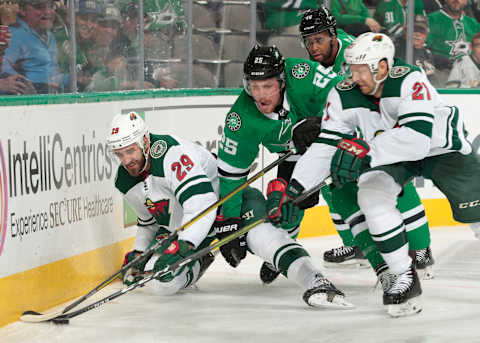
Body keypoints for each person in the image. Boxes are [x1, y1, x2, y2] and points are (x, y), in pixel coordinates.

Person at [271, 32, 480, 317]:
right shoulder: (343, 94)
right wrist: (295, 189)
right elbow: (325, 145)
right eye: (351, 69)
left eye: (360, 69)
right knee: (371, 195)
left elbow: (417, 140)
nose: (354, 77)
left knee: (477, 214)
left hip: (442, 150)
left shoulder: (409, 80)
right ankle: (403, 277)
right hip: (389, 153)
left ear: (382, 66)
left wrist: (365, 151)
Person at [107, 112, 352, 308]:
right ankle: (202, 259)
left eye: (131, 150)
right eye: (120, 154)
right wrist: (139, 254)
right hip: (196, 226)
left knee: (263, 238)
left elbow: (201, 203)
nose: (127, 160)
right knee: (164, 284)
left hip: (229, 204)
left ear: (145, 142)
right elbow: (148, 221)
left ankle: (317, 282)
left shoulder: (170, 153)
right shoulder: (126, 179)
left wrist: (183, 247)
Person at [299, 8, 434, 276]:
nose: (314, 46)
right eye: (309, 41)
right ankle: (357, 244)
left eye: (320, 39)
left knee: (392, 180)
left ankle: (421, 248)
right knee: (333, 183)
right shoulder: (316, 64)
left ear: (334, 36)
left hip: (381, 124)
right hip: (349, 127)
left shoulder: (356, 53)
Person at [217, 44, 343, 284]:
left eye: (268, 86)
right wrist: (231, 222)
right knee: (286, 206)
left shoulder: (302, 74)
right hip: (294, 154)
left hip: (332, 142)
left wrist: (324, 123)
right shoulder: (240, 118)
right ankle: (284, 245)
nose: (261, 95)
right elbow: (232, 175)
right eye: (254, 87)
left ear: (282, 82)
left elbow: (347, 94)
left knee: (345, 194)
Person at [1, 0, 68, 93]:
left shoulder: (50, 36)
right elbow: (3, 70)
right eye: (40, 6)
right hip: (29, 101)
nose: (48, 12)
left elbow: (53, 73)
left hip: (55, 97)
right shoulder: (14, 34)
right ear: (22, 10)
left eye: (51, 6)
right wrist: (31, 86)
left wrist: (74, 78)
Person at [427, 0, 480, 85]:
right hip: (443, 74)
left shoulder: (473, 24)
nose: (456, 0)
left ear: (466, 1)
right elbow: (423, 51)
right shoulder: (431, 20)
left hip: (473, 73)